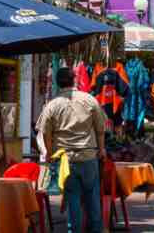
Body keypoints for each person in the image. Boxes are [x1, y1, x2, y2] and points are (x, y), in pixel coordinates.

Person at [37, 67, 108, 233]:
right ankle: (96, 229)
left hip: (65, 161)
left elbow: (46, 133)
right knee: (92, 197)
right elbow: (100, 129)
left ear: (57, 83)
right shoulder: (89, 100)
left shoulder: (52, 105)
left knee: (72, 198)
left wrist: (48, 153)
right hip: (89, 156)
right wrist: (102, 149)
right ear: (74, 79)